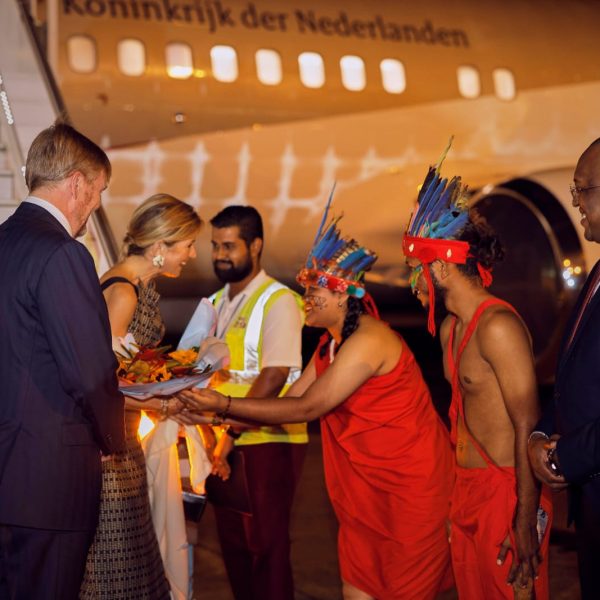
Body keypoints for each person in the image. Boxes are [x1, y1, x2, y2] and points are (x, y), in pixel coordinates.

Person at [179, 199, 454, 600]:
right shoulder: (330, 344)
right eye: (305, 287)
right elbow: (290, 400)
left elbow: (306, 408)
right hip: (363, 495)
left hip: (408, 493)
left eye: (315, 289)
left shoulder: (370, 340)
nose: (305, 297)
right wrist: (212, 418)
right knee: (357, 588)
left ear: (343, 296)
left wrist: (221, 405)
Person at [403, 145, 552, 599]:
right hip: (466, 491)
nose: (411, 282)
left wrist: (524, 518)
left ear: (440, 267)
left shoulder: (498, 327)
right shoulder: (450, 328)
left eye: (415, 270)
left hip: (506, 491)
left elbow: (529, 424)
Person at [0, 121, 125, 599]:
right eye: (99, 191)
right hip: (47, 484)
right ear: (77, 184)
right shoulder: (63, 254)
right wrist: (112, 437)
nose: (96, 205)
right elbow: (89, 372)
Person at [79, 193, 202, 599]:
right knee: (116, 562)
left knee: (133, 558)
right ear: (160, 246)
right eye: (187, 245)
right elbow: (101, 384)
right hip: (109, 449)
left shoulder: (138, 286)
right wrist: (164, 402)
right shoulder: (123, 293)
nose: (192, 254)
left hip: (125, 439)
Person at [187, 205, 307, 600]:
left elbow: (273, 377)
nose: (219, 255)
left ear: (255, 246)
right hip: (223, 443)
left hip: (266, 442)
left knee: (265, 552)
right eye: (215, 246)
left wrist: (229, 435)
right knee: (236, 551)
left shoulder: (278, 300)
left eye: (229, 246)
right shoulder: (216, 301)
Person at [528, 138, 600, 600]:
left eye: (582, 189)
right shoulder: (597, 274)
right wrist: (540, 436)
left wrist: (563, 458)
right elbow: (571, 377)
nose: (575, 203)